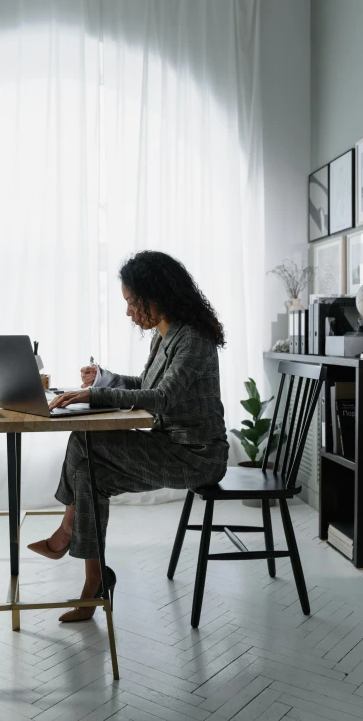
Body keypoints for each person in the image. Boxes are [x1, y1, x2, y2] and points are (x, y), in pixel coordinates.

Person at [27, 250, 229, 621]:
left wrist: (95, 395)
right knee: (89, 473)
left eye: (130, 301)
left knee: (81, 439)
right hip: (171, 446)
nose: (127, 312)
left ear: (154, 297)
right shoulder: (167, 336)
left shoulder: (193, 340)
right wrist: (104, 379)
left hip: (197, 456)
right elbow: (149, 384)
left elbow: (162, 399)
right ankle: (94, 582)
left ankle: (67, 531)